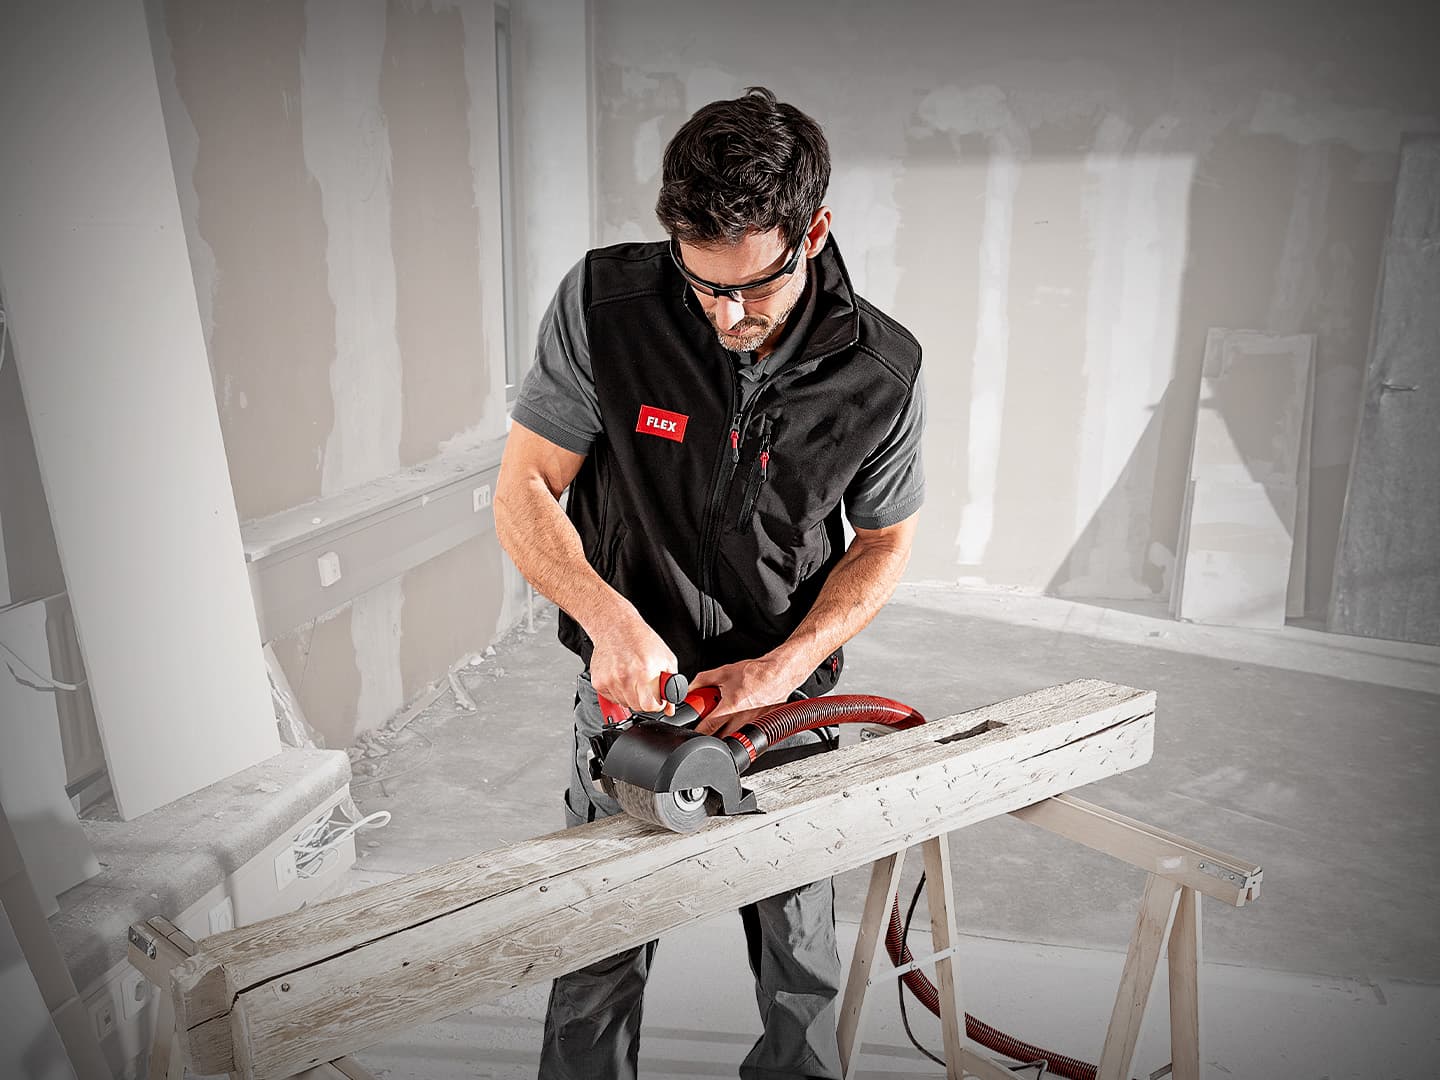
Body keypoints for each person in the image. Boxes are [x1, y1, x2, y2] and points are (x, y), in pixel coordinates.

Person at [493, 86, 926, 1080]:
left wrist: (784, 668)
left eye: (754, 289)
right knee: (597, 938)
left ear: (813, 232)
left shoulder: (881, 371)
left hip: (783, 697)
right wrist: (606, 618)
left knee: (800, 961)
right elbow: (524, 486)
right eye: (704, 288)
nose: (729, 315)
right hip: (630, 689)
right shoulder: (608, 309)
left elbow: (882, 544)